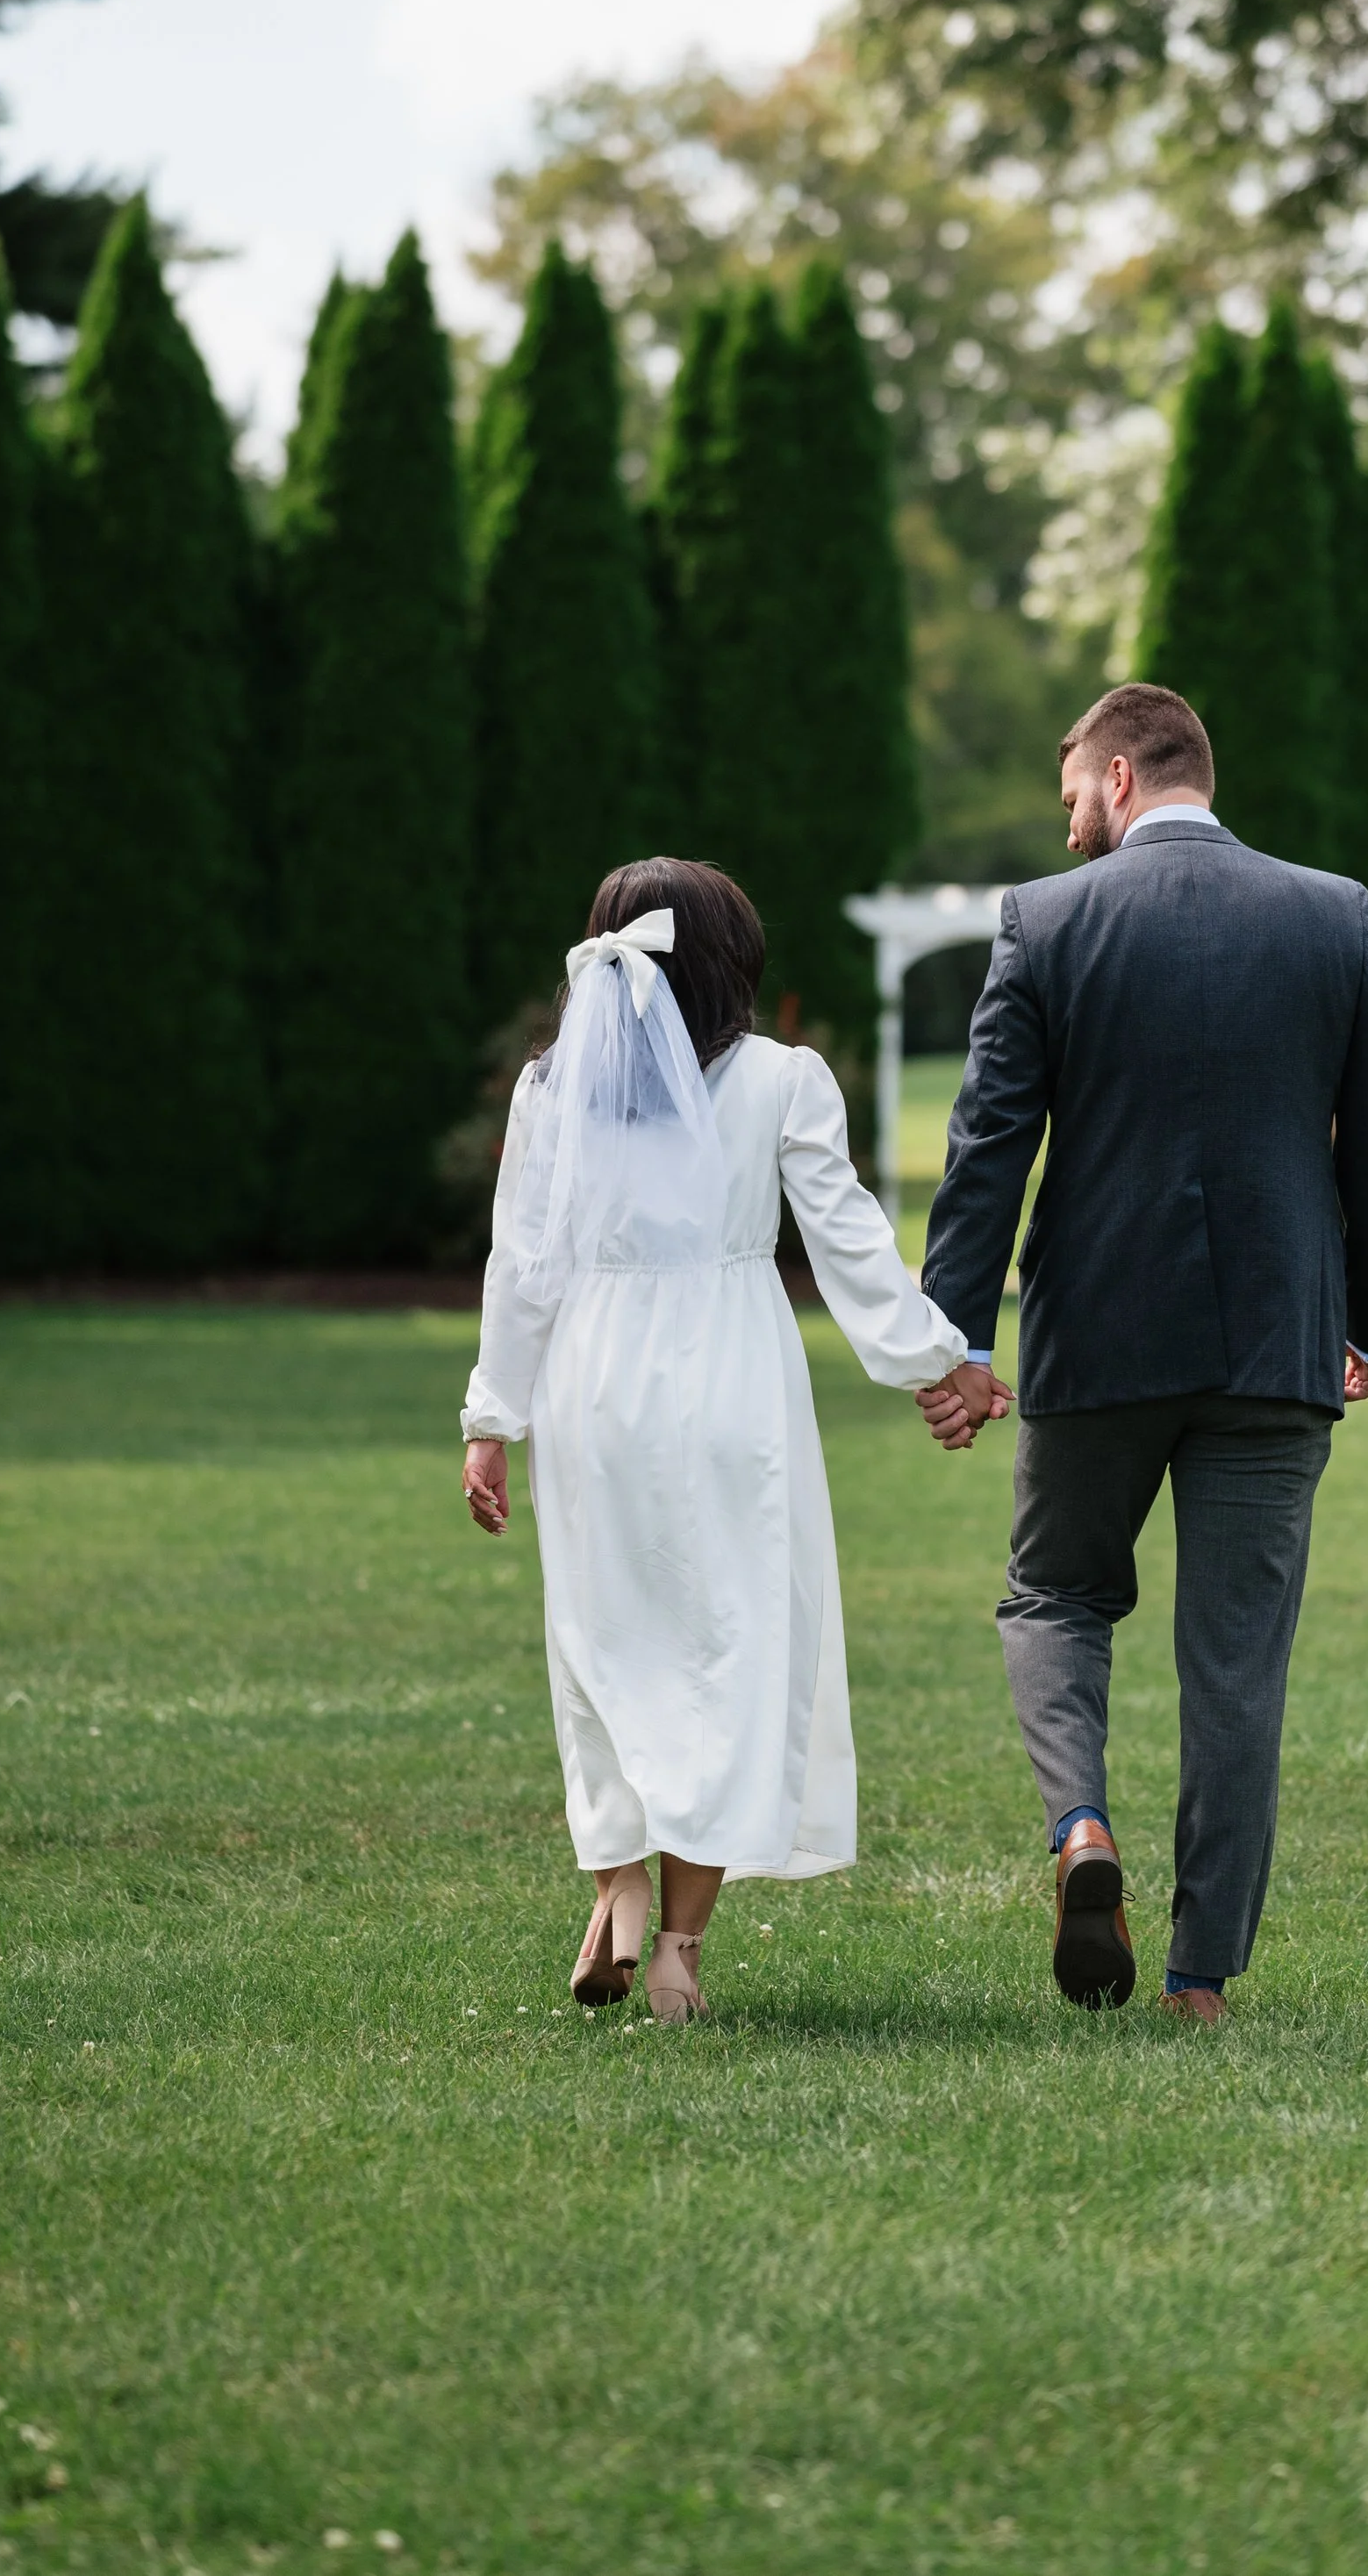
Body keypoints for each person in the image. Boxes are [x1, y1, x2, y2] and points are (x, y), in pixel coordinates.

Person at [916, 683, 1368, 2026]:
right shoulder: (1335, 912)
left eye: (1075, 789)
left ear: (1126, 773)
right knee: (1237, 1662)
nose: (1070, 821)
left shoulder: (1044, 921)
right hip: (1276, 1344)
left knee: (1053, 1599)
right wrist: (1367, 1318)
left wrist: (957, 1341)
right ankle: (1200, 1980)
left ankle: (1083, 1830)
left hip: (1098, 1339)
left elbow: (986, 1151)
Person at [459, 857, 976, 2022]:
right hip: (732, 1380)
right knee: (727, 1653)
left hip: (592, 1382)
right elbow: (846, 1237)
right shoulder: (784, 1081)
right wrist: (935, 1361)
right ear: (733, 961)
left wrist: (495, 1417)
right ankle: (683, 1947)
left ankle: (617, 1893)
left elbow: (524, 1265)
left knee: (598, 1644)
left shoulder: (550, 1090)